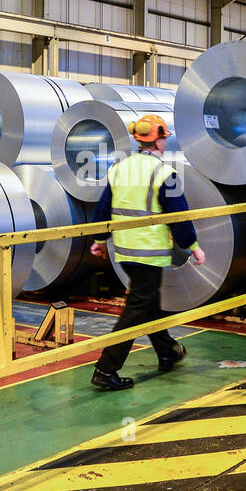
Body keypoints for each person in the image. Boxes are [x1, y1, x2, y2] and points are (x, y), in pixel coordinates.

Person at [88, 113, 206, 391]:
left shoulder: (119, 169)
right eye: (164, 138)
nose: (165, 143)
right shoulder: (165, 173)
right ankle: (106, 369)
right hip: (149, 254)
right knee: (136, 309)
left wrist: (99, 240)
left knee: (148, 303)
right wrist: (193, 247)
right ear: (159, 141)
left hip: (125, 253)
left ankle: (167, 351)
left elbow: (102, 210)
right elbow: (179, 214)